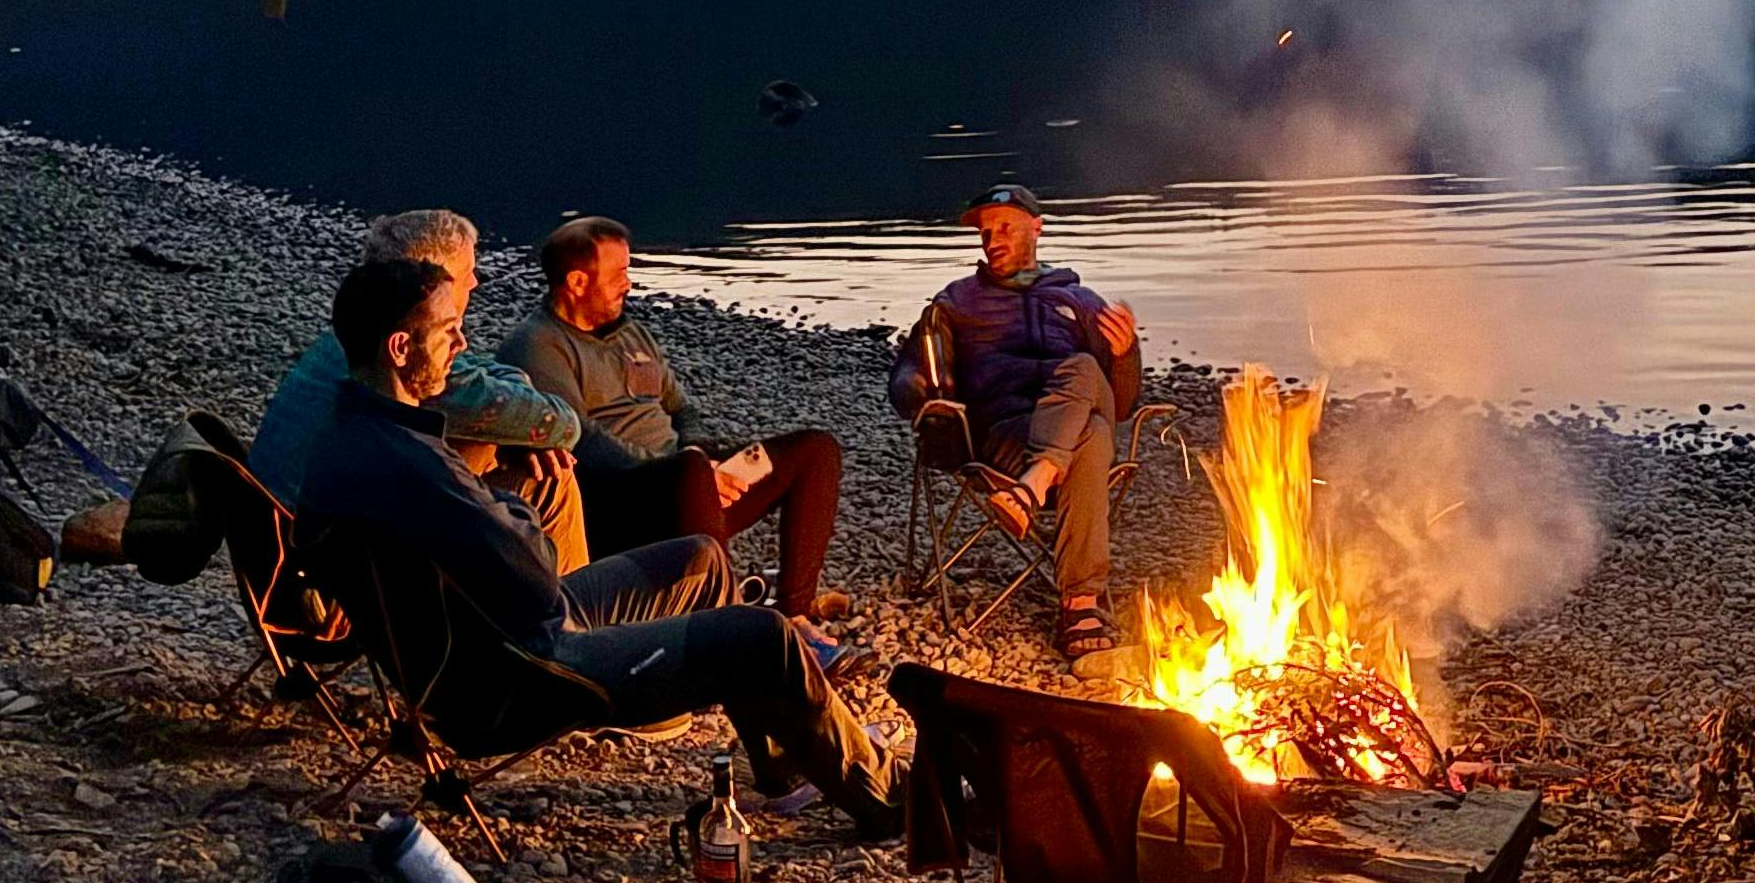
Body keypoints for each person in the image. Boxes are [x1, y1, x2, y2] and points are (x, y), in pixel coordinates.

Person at [297, 257, 901, 834]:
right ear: (401, 348)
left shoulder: (355, 434)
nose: (460, 346)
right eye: (449, 332)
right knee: (760, 634)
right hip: (521, 673)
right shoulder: (411, 465)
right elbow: (537, 580)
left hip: (490, 637)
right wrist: (511, 506)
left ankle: (788, 758)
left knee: (700, 558)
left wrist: (495, 508)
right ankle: (894, 799)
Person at [499, 216, 849, 625]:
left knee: (815, 450)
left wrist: (701, 457)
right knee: (689, 471)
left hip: (688, 481)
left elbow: (682, 408)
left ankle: (795, 614)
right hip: (621, 501)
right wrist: (686, 470)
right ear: (577, 282)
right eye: (619, 274)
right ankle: (731, 627)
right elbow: (583, 439)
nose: (628, 284)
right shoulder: (537, 347)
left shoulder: (630, 335)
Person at [887, 183, 1144, 674]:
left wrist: (1126, 352)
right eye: (985, 233)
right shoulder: (957, 302)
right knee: (1091, 435)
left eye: (1004, 227)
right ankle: (1080, 606)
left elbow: (1125, 400)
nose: (992, 240)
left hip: (1053, 437)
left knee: (1087, 372)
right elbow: (906, 374)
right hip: (1006, 438)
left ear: (1036, 228)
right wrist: (920, 388)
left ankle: (1032, 488)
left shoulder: (1081, 301)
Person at [250, 209, 590, 574]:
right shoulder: (408, 369)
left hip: (279, 545)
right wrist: (515, 431)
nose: (475, 283)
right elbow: (564, 425)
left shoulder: (352, 339)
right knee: (550, 480)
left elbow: (480, 371)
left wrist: (512, 425)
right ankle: (572, 621)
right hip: (333, 573)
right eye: (465, 273)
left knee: (513, 452)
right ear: (430, 281)